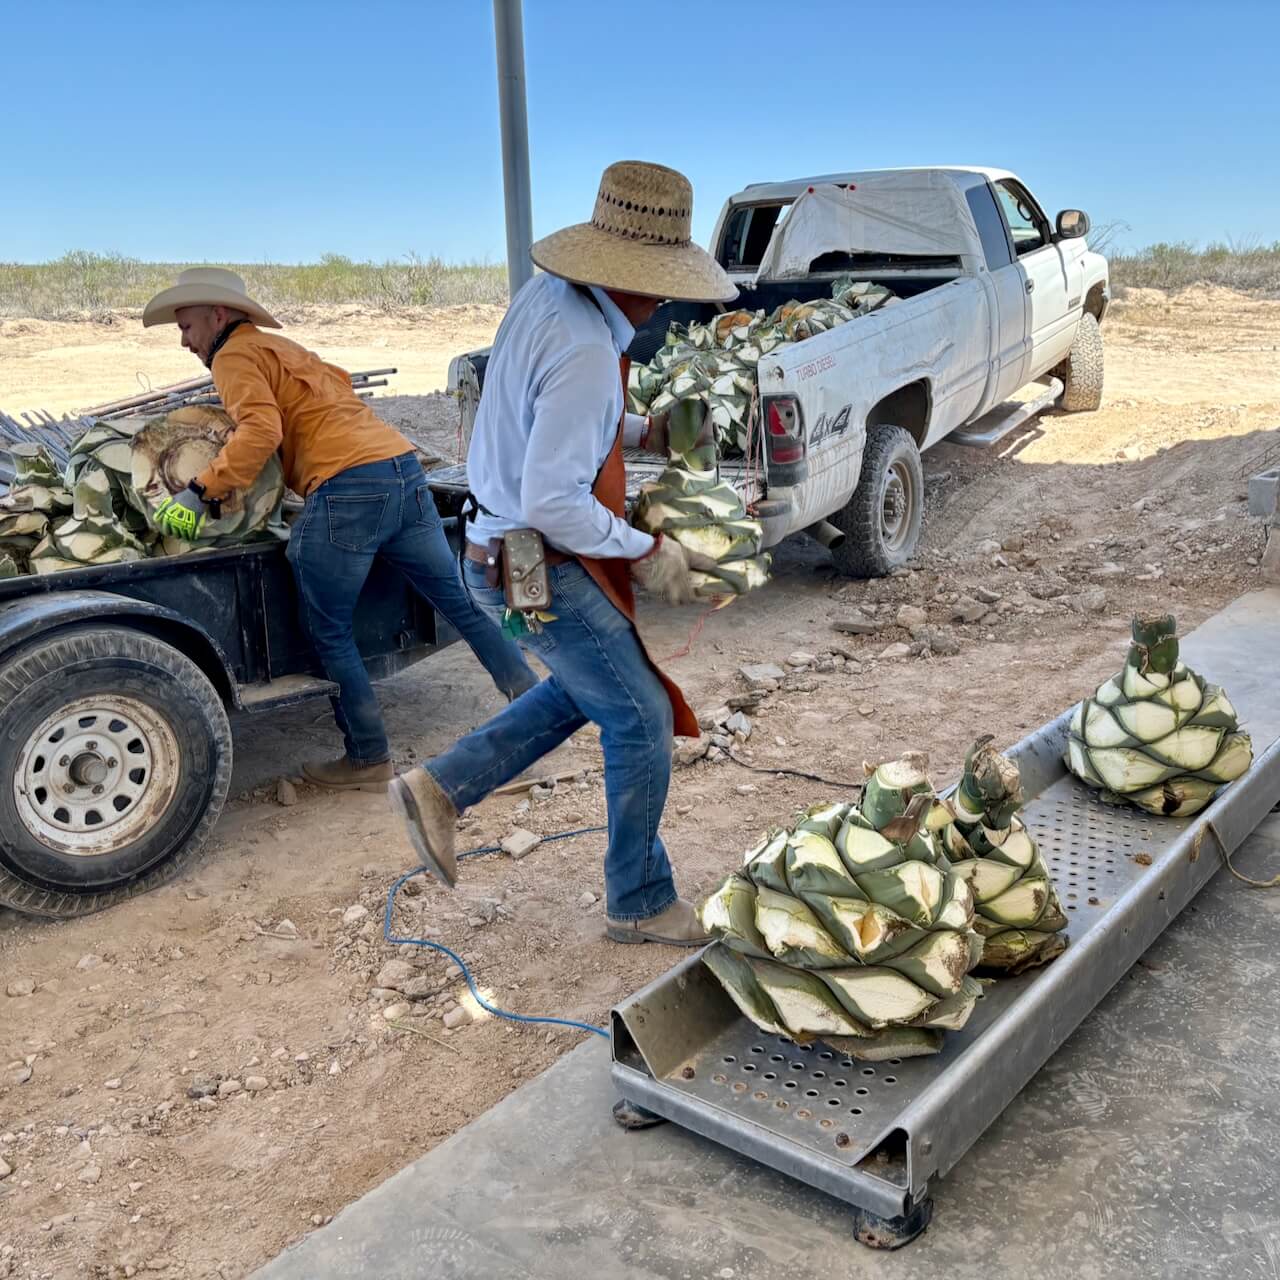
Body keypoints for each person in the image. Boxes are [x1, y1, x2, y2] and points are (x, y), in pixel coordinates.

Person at [389, 160, 738, 947]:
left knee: (595, 688)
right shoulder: (587, 348)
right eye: (665, 287)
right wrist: (649, 550)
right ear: (646, 283)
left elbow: (546, 421)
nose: (666, 303)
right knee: (640, 715)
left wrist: (642, 432)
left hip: (492, 548)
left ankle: (440, 788)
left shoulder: (547, 298)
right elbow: (554, 501)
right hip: (532, 562)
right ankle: (640, 900)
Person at [141, 268, 537, 789]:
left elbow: (262, 428)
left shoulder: (233, 355)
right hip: (401, 468)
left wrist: (200, 491)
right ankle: (535, 710)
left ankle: (368, 758)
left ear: (217, 315)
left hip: (350, 488)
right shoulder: (280, 347)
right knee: (459, 603)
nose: (185, 341)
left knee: (328, 628)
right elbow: (337, 389)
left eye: (187, 327)